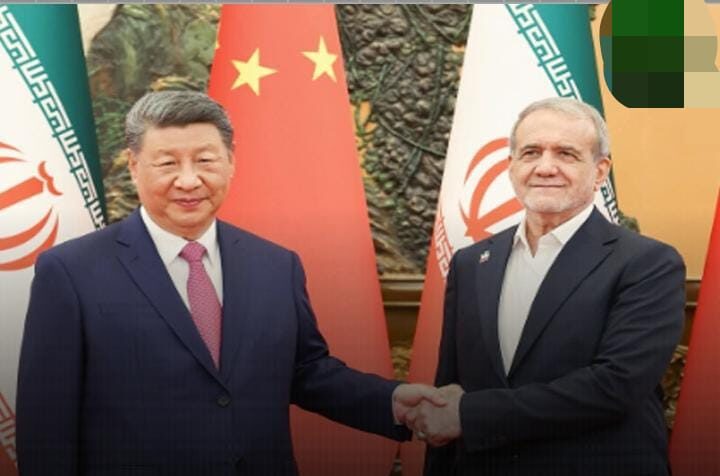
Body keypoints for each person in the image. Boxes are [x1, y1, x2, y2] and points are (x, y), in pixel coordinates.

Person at [16, 91, 443, 476]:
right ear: (133, 166)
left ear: (231, 162)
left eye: (205, 160)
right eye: (167, 164)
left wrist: (394, 402)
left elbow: (306, 371)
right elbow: (47, 424)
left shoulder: (275, 265)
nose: (188, 180)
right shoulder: (71, 271)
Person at [407, 97, 686, 476]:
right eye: (531, 152)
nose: (545, 167)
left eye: (566, 154)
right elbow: (450, 387)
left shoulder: (648, 263)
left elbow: (615, 386)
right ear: (511, 166)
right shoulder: (471, 263)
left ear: (600, 171)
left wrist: (470, 414)